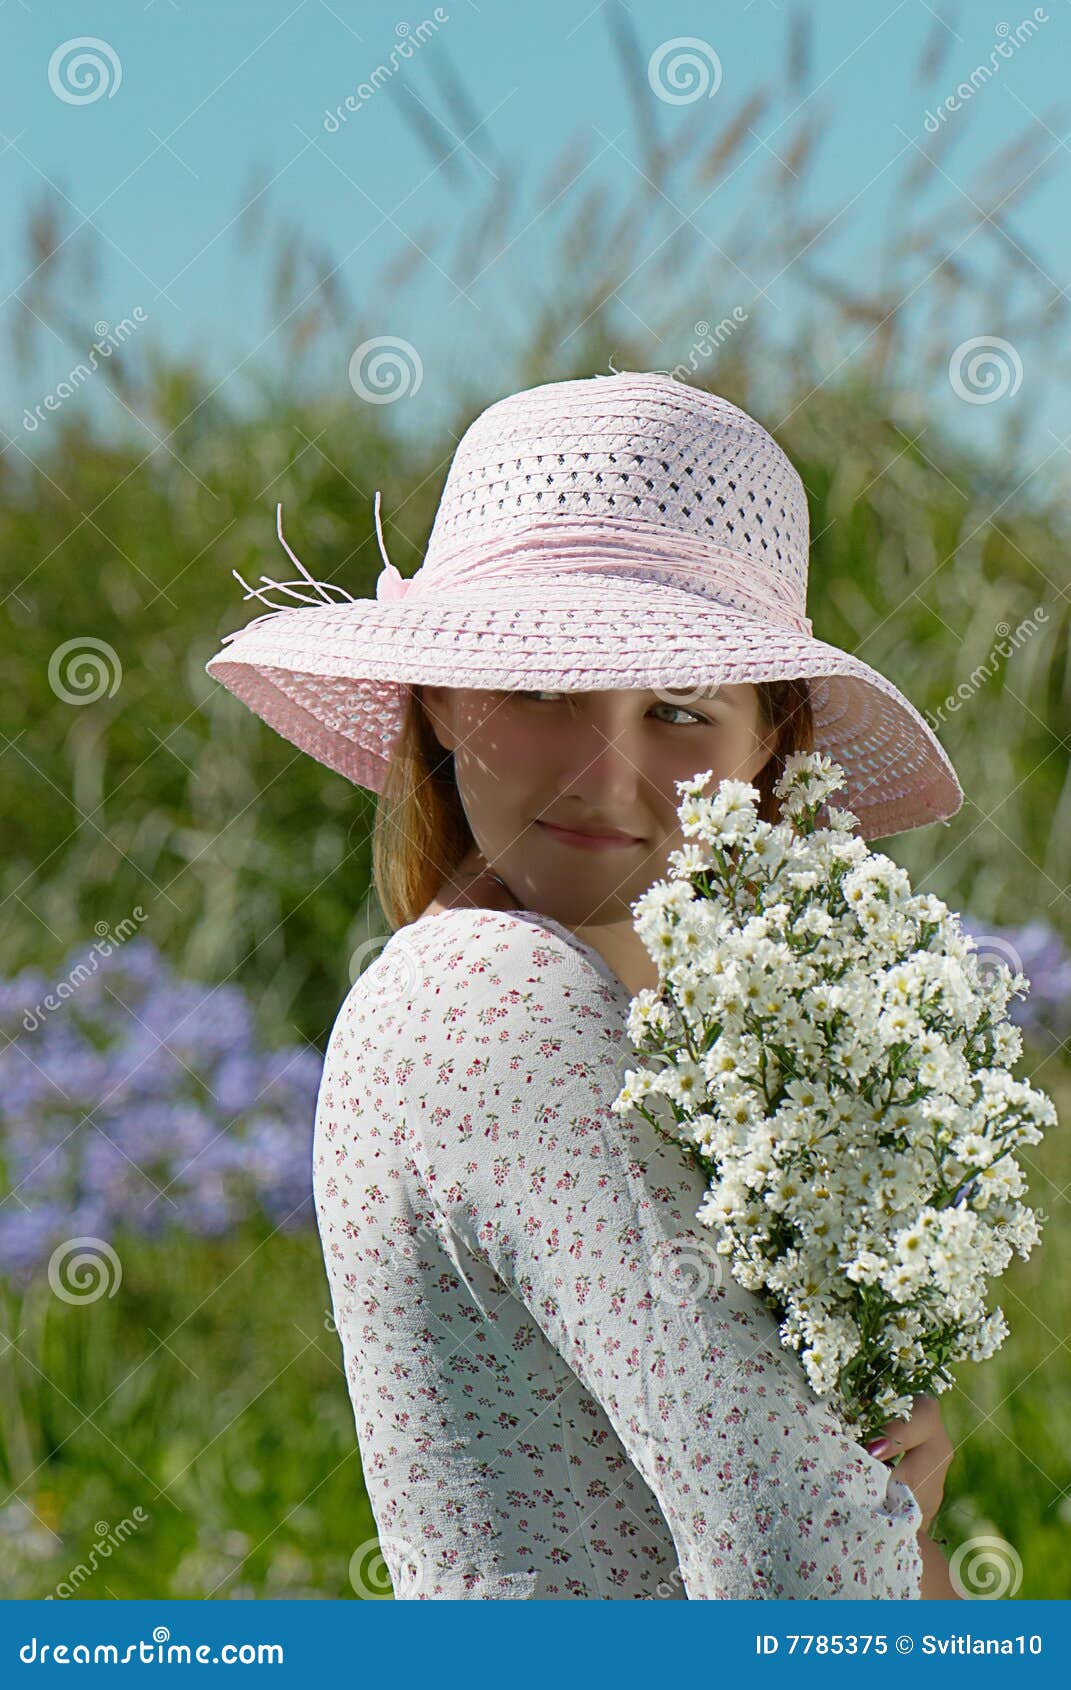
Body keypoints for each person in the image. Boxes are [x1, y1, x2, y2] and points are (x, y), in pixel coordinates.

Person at [206, 370, 962, 1598]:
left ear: (769, 740)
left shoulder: (661, 1038)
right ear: (438, 702)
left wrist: (881, 1489)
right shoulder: (495, 996)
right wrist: (869, 1526)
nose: (605, 777)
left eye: (679, 709)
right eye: (543, 691)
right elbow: (803, 1561)